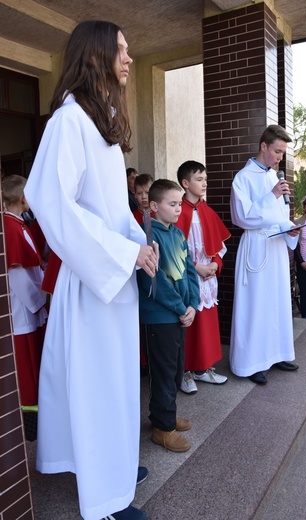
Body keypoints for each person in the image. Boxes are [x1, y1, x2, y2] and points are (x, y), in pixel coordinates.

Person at [24, 20, 157, 520]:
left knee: (115, 380)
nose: (128, 58)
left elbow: (109, 209)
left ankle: (113, 464)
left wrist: (141, 245)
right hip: (91, 284)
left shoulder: (98, 122)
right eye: (120, 50)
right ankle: (104, 498)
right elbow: (51, 201)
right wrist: (122, 253)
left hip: (113, 278)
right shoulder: (69, 120)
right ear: (96, 56)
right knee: (99, 384)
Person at [230, 124, 300, 385]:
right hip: (257, 248)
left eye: (282, 153)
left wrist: (290, 229)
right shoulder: (243, 178)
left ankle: (276, 354)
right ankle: (251, 362)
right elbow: (242, 217)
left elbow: (278, 214)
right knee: (256, 306)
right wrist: (271, 196)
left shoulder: (273, 176)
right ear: (263, 146)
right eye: (278, 151)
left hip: (276, 248)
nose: (280, 157)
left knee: (277, 303)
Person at [137, 179, 200, 452]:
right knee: (162, 373)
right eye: (172, 204)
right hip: (160, 316)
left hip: (178, 314)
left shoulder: (176, 233)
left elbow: (189, 271)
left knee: (175, 369)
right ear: (154, 206)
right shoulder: (147, 234)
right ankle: (163, 429)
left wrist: (193, 304)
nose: (178, 209)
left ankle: (164, 415)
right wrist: (179, 306)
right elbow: (154, 280)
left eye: (179, 204)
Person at [176, 160, 230, 394]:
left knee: (206, 325)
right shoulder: (178, 210)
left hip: (208, 278)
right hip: (188, 276)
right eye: (200, 179)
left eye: (205, 179)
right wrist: (197, 267)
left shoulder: (207, 211)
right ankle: (184, 372)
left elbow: (219, 247)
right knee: (188, 325)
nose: (204, 183)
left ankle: (202, 368)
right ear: (185, 183)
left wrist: (215, 264)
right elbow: (174, 249)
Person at [2, 174, 47, 406]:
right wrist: (39, 301)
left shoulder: (18, 224)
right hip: (24, 307)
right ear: (22, 199)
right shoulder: (10, 228)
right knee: (26, 361)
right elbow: (16, 275)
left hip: (31, 303)